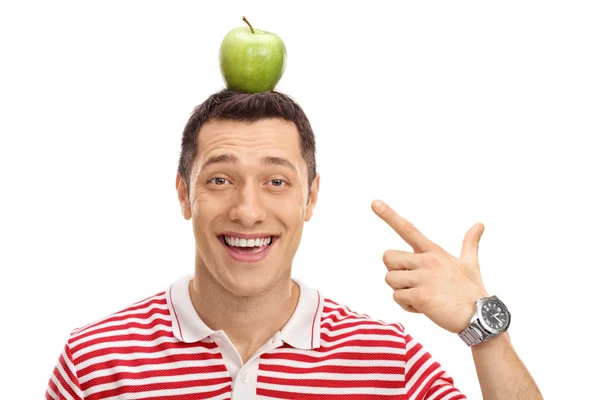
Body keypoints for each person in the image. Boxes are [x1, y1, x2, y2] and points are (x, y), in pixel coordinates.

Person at [46, 89, 542, 399]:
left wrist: (485, 328)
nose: (248, 210)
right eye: (219, 180)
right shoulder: (95, 362)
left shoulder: (388, 362)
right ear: (184, 194)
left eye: (276, 182)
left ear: (311, 197)